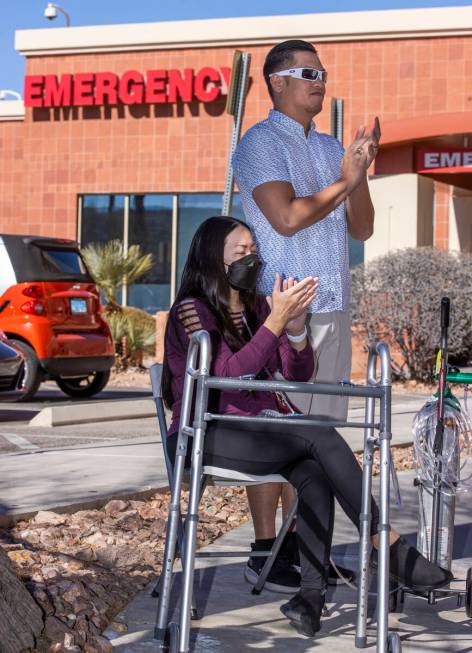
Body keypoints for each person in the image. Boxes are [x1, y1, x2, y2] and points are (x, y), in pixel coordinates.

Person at [162, 216, 452, 638]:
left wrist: (296, 333)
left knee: (314, 474)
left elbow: (296, 373)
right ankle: (386, 547)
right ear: (211, 257)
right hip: (204, 435)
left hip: (258, 432)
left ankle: (309, 598)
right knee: (318, 432)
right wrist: (276, 323)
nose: (252, 259)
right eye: (240, 253)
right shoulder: (193, 310)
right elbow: (225, 372)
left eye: (253, 251)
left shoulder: (259, 306)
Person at [232, 39, 380, 590]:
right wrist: (345, 178)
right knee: (278, 429)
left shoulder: (330, 147)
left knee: (319, 436)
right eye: (307, 71)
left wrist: (357, 172)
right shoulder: (258, 143)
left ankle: (306, 547)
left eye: (323, 72)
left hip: (333, 309)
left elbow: (361, 229)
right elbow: (288, 218)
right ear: (275, 81)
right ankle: (265, 547)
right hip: (280, 312)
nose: (320, 80)